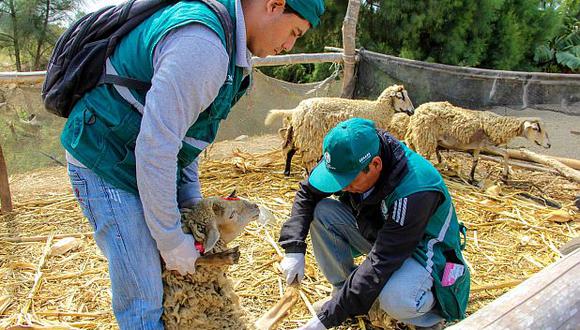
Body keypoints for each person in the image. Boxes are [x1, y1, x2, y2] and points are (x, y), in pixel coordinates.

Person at [60, 0, 324, 328]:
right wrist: (171, 241)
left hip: (136, 153)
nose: (288, 46)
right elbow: (157, 148)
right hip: (105, 157)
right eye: (294, 32)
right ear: (274, 5)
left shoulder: (232, 51)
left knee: (167, 278)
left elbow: (187, 136)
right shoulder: (203, 48)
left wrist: (191, 206)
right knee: (144, 294)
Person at [279, 118, 470, 330]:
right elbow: (308, 192)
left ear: (376, 164)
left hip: (422, 251)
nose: (342, 187)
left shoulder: (417, 187)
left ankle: (428, 314)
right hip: (382, 235)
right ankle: (347, 295)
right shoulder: (348, 157)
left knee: (397, 298)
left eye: (348, 181)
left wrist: (326, 319)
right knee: (321, 211)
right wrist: (293, 247)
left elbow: (382, 260)